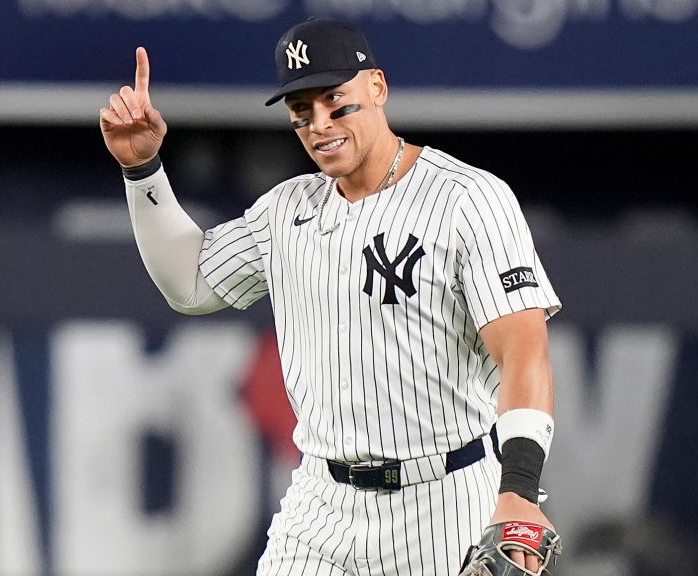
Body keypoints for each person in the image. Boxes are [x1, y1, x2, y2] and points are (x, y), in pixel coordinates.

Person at [100, 18, 561, 576]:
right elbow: (192, 283)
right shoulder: (286, 210)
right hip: (320, 503)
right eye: (301, 109)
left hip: (443, 499)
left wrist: (518, 491)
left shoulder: (468, 199)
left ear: (377, 88)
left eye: (334, 101)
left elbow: (525, 350)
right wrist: (141, 169)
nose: (319, 123)